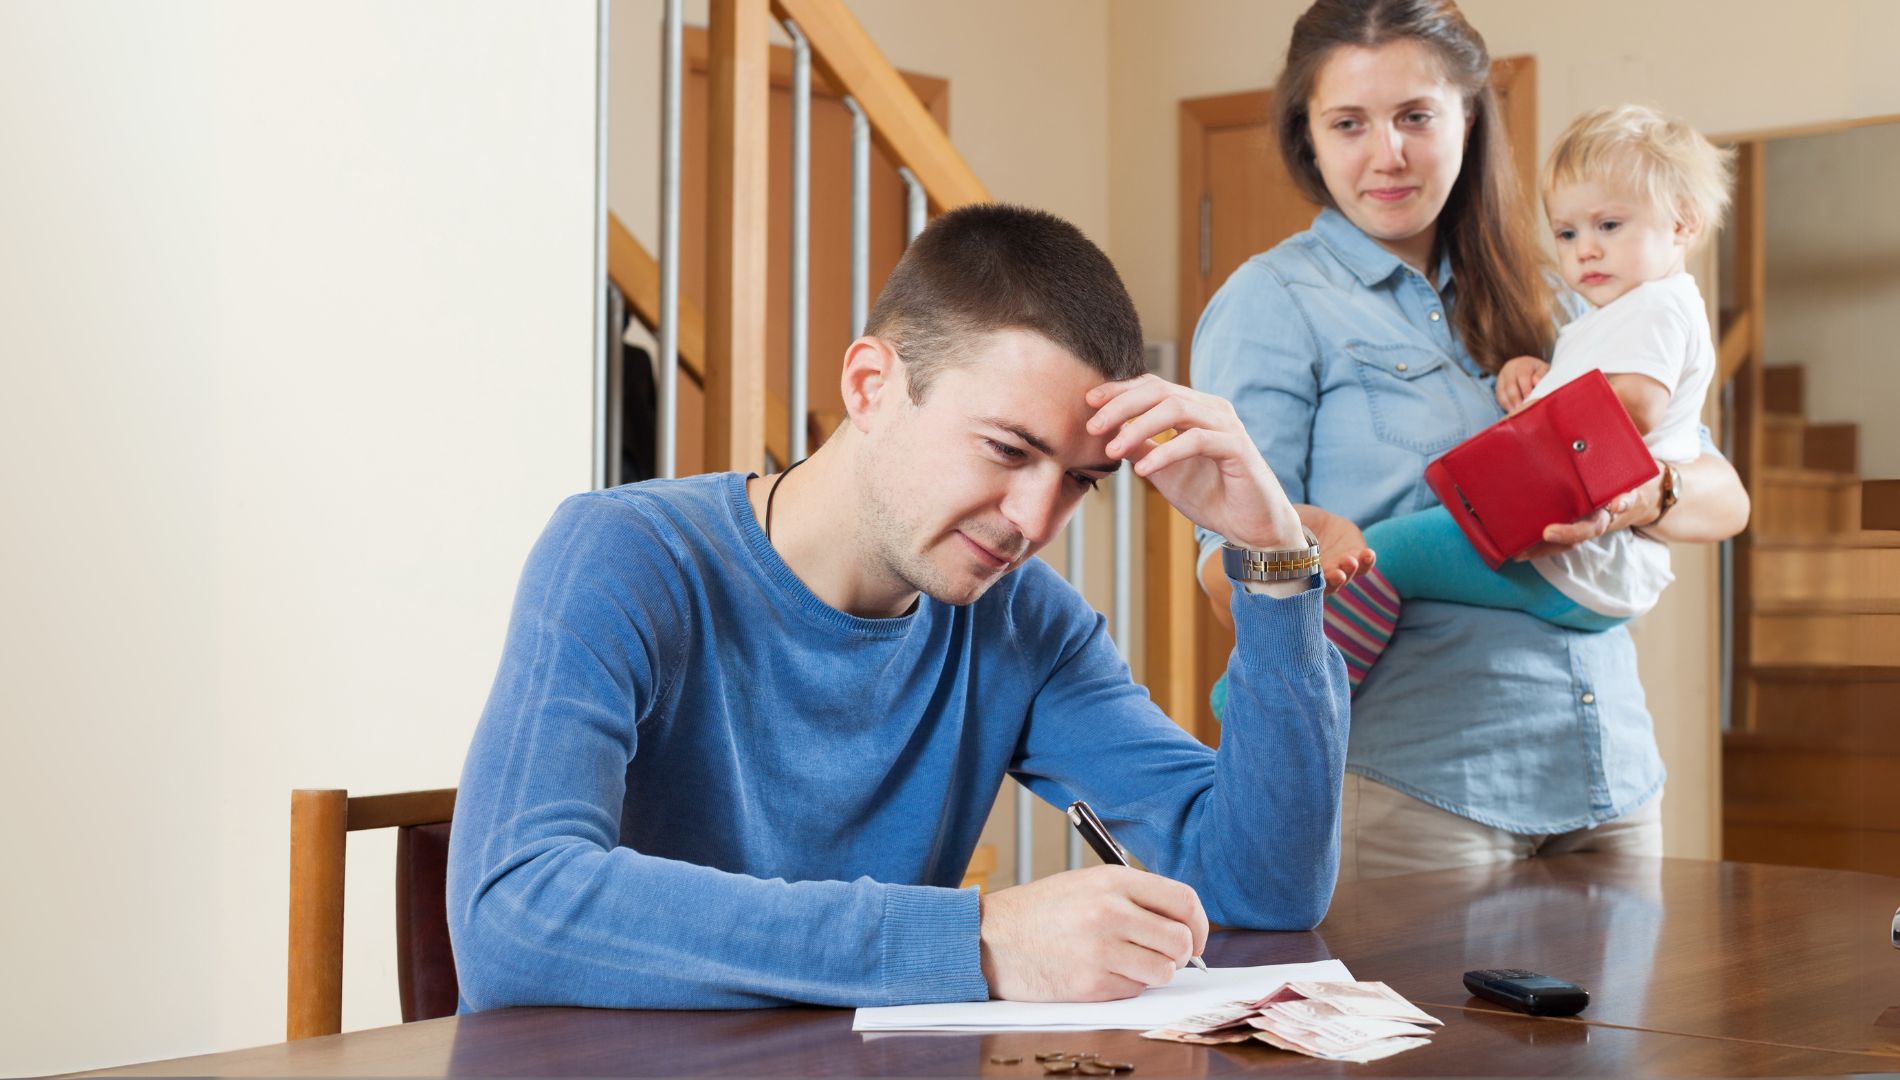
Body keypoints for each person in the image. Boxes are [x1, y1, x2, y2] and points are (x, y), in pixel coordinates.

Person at [446, 204, 1352, 1012]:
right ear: (871, 386)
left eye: (1079, 481)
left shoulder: (1024, 621)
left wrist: (1272, 557)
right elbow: (514, 910)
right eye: (1006, 449)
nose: (1038, 521)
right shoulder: (625, 555)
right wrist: (975, 943)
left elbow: (1263, 886)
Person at [1192, 0, 1750, 880]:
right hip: (1417, 798)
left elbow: (1721, 491)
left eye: (1416, 115)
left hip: (1611, 779)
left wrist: (1650, 496)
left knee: (1631, 1028)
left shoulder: (1564, 289)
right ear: (1310, 139)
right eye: (1349, 124)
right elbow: (1224, 573)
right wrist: (1308, 558)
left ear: (1469, 117)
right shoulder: (1273, 302)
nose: (1388, 154)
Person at [1322, 104, 1736, 691]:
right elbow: (1596, 390)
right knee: (1396, 553)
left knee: (1384, 552)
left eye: (1609, 225)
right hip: (1595, 572)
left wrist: (1545, 415)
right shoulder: (1619, 313)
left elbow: (1635, 407)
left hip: (1584, 562)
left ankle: (1284, 693)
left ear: (1683, 223)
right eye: (1567, 233)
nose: (1584, 249)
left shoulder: (1656, 307)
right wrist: (1537, 375)